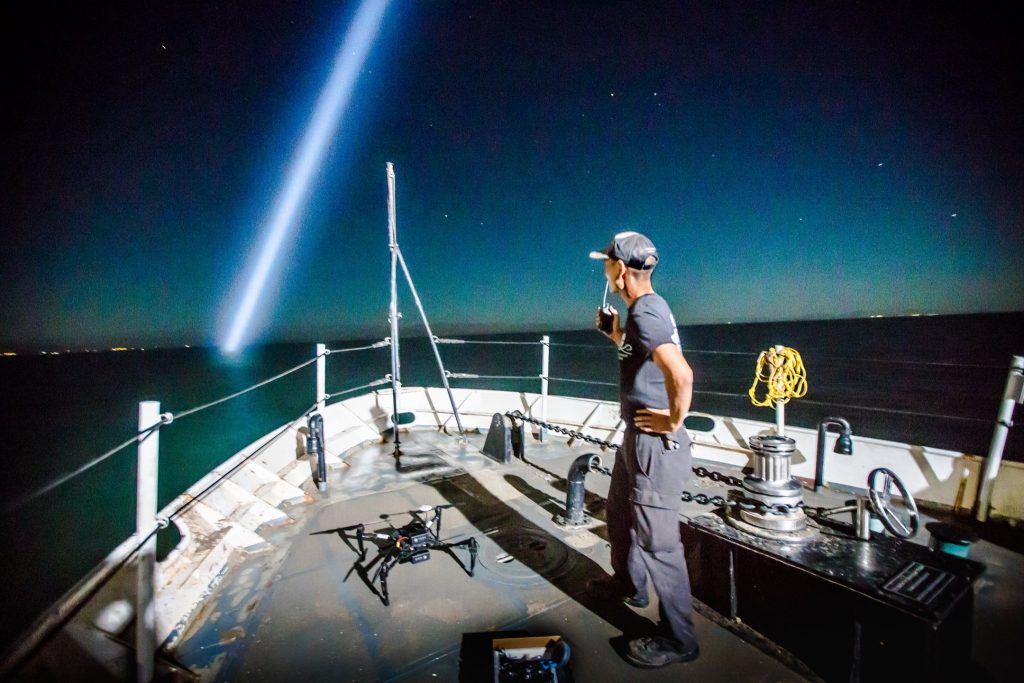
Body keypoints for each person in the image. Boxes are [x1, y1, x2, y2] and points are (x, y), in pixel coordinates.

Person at [586, 231, 700, 668]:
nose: (603, 268)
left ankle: (680, 639)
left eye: (606, 262)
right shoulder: (640, 313)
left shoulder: (648, 312)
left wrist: (673, 419)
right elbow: (644, 354)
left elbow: (682, 375)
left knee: (659, 544)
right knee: (619, 514)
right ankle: (630, 585)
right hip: (636, 440)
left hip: (655, 444)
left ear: (620, 270)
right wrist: (616, 335)